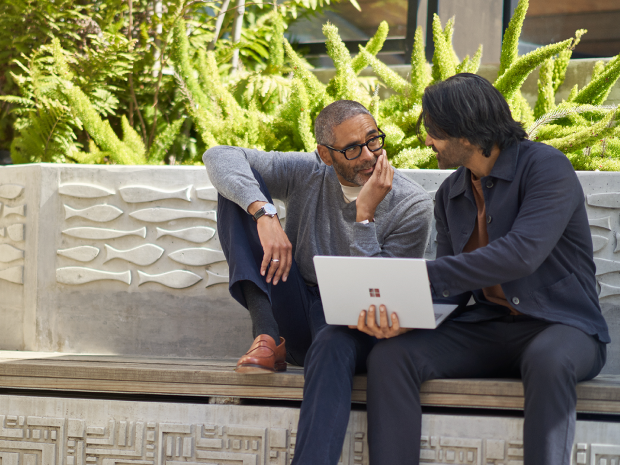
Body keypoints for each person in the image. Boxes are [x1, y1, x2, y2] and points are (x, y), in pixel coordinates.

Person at [353, 74, 609, 465]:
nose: (427, 141)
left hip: (563, 325)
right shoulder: (450, 193)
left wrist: (423, 277)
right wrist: (408, 316)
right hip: (490, 326)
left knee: (548, 360)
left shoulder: (546, 168)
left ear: (466, 133)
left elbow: (521, 254)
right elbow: (452, 290)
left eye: (434, 131)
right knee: (391, 356)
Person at [202, 99, 433, 464]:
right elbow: (220, 155)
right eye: (353, 149)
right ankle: (266, 336)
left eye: (374, 140)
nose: (369, 156)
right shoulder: (308, 171)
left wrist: (365, 217)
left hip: (350, 325)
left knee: (332, 340)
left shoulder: (411, 204)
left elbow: (381, 296)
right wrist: (265, 214)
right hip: (293, 312)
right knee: (238, 195)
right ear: (326, 155)